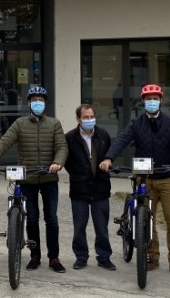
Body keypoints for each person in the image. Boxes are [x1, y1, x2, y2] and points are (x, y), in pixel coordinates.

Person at [0, 85, 69, 273]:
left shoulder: (54, 124)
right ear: (28, 103)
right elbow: (4, 142)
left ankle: (54, 258)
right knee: (32, 218)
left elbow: (62, 147)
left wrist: (58, 162)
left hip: (49, 177)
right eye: (34, 101)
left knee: (52, 219)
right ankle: (35, 256)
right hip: (27, 178)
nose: (37, 104)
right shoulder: (19, 124)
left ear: (45, 103)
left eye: (40, 101)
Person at [99, 84, 170, 276]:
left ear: (160, 100)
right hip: (144, 178)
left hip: (168, 178)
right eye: (148, 98)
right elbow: (122, 140)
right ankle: (152, 256)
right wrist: (109, 158)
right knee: (146, 219)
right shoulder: (136, 123)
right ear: (142, 102)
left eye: (155, 98)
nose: (152, 101)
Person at [63, 104, 116, 271]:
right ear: (78, 119)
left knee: (102, 227)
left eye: (92, 116)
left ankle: (104, 257)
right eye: (85, 117)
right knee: (79, 226)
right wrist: (79, 174)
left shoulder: (103, 135)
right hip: (79, 188)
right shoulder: (69, 138)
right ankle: (81, 256)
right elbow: (66, 162)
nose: (89, 120)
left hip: (100, 187)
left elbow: (110, 156)